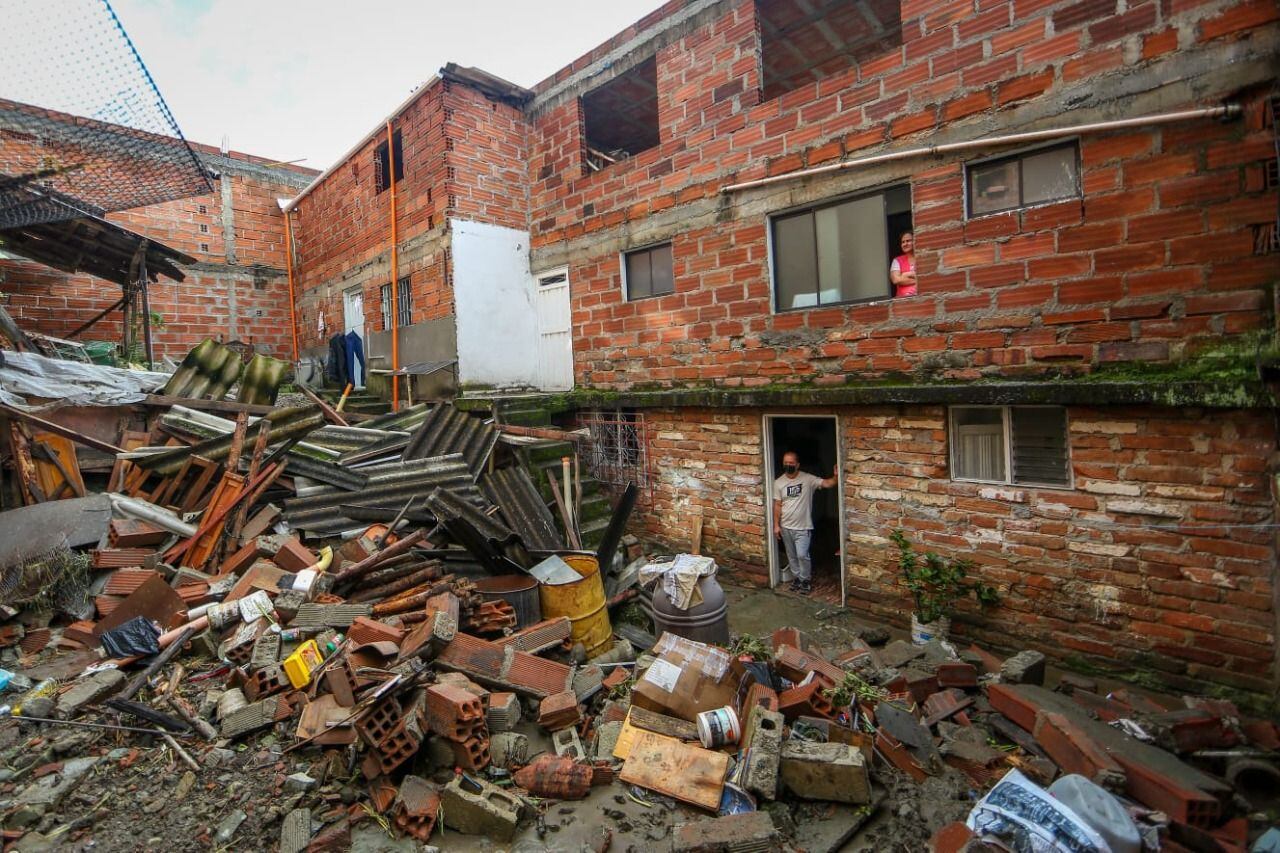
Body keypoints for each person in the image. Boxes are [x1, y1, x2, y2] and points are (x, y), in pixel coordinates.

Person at [773, 450, 838, 595]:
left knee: (802, 555)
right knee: (791, 555)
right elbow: (777, 505)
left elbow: (827, 483)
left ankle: (805, 579)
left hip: (803, 527)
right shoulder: (778, 483)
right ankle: (797, 579)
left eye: (791, 463)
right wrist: (776, 525)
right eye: (785, 463)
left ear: (797, 464)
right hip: (785, 526)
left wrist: (836, 476)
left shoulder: (808, 479)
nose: (788, 465)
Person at [889, 230, 916, 298]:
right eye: (903, 242)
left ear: (915, 241)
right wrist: (917, 277)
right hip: (902, 301)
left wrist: (905, 274)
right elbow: (896, 280)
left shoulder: (922, 257)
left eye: (908, 241)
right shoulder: (897, 260)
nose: (905, 244)